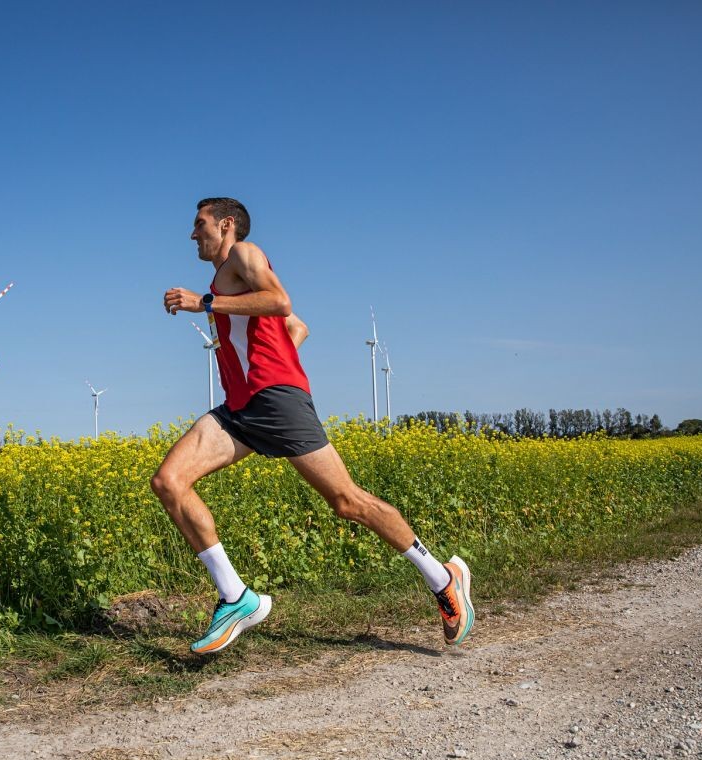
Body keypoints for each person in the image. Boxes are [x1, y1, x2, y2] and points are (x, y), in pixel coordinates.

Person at [155, 197, 473, 654]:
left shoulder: (245, 255)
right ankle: (235, 597)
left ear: (226, 225)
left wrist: (204, 302)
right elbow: (296, 326)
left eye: (199, 224)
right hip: (240, 408)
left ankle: (444, 579)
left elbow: (281, 301)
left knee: (347, 502)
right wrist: (275, 353)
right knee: (169, 481)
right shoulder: (228, 280)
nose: (192, 234)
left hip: (275, 402)